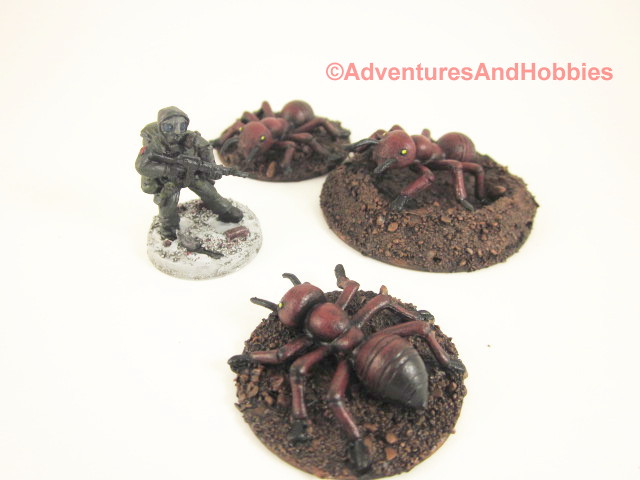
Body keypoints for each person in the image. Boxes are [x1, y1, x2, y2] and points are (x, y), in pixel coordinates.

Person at [136, 106, 243, 240]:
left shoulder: (192, 139)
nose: (176, 132)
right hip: (167, 180)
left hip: (190, 174)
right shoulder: (155, 144)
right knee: (168, 202)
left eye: (181, 126)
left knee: (207, 190)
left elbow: (207, 150)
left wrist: (212, 170)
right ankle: (168, 228)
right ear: (161, 127)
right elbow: (141, 165)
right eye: (169, 127)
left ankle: (225, 211)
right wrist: (168, 170)